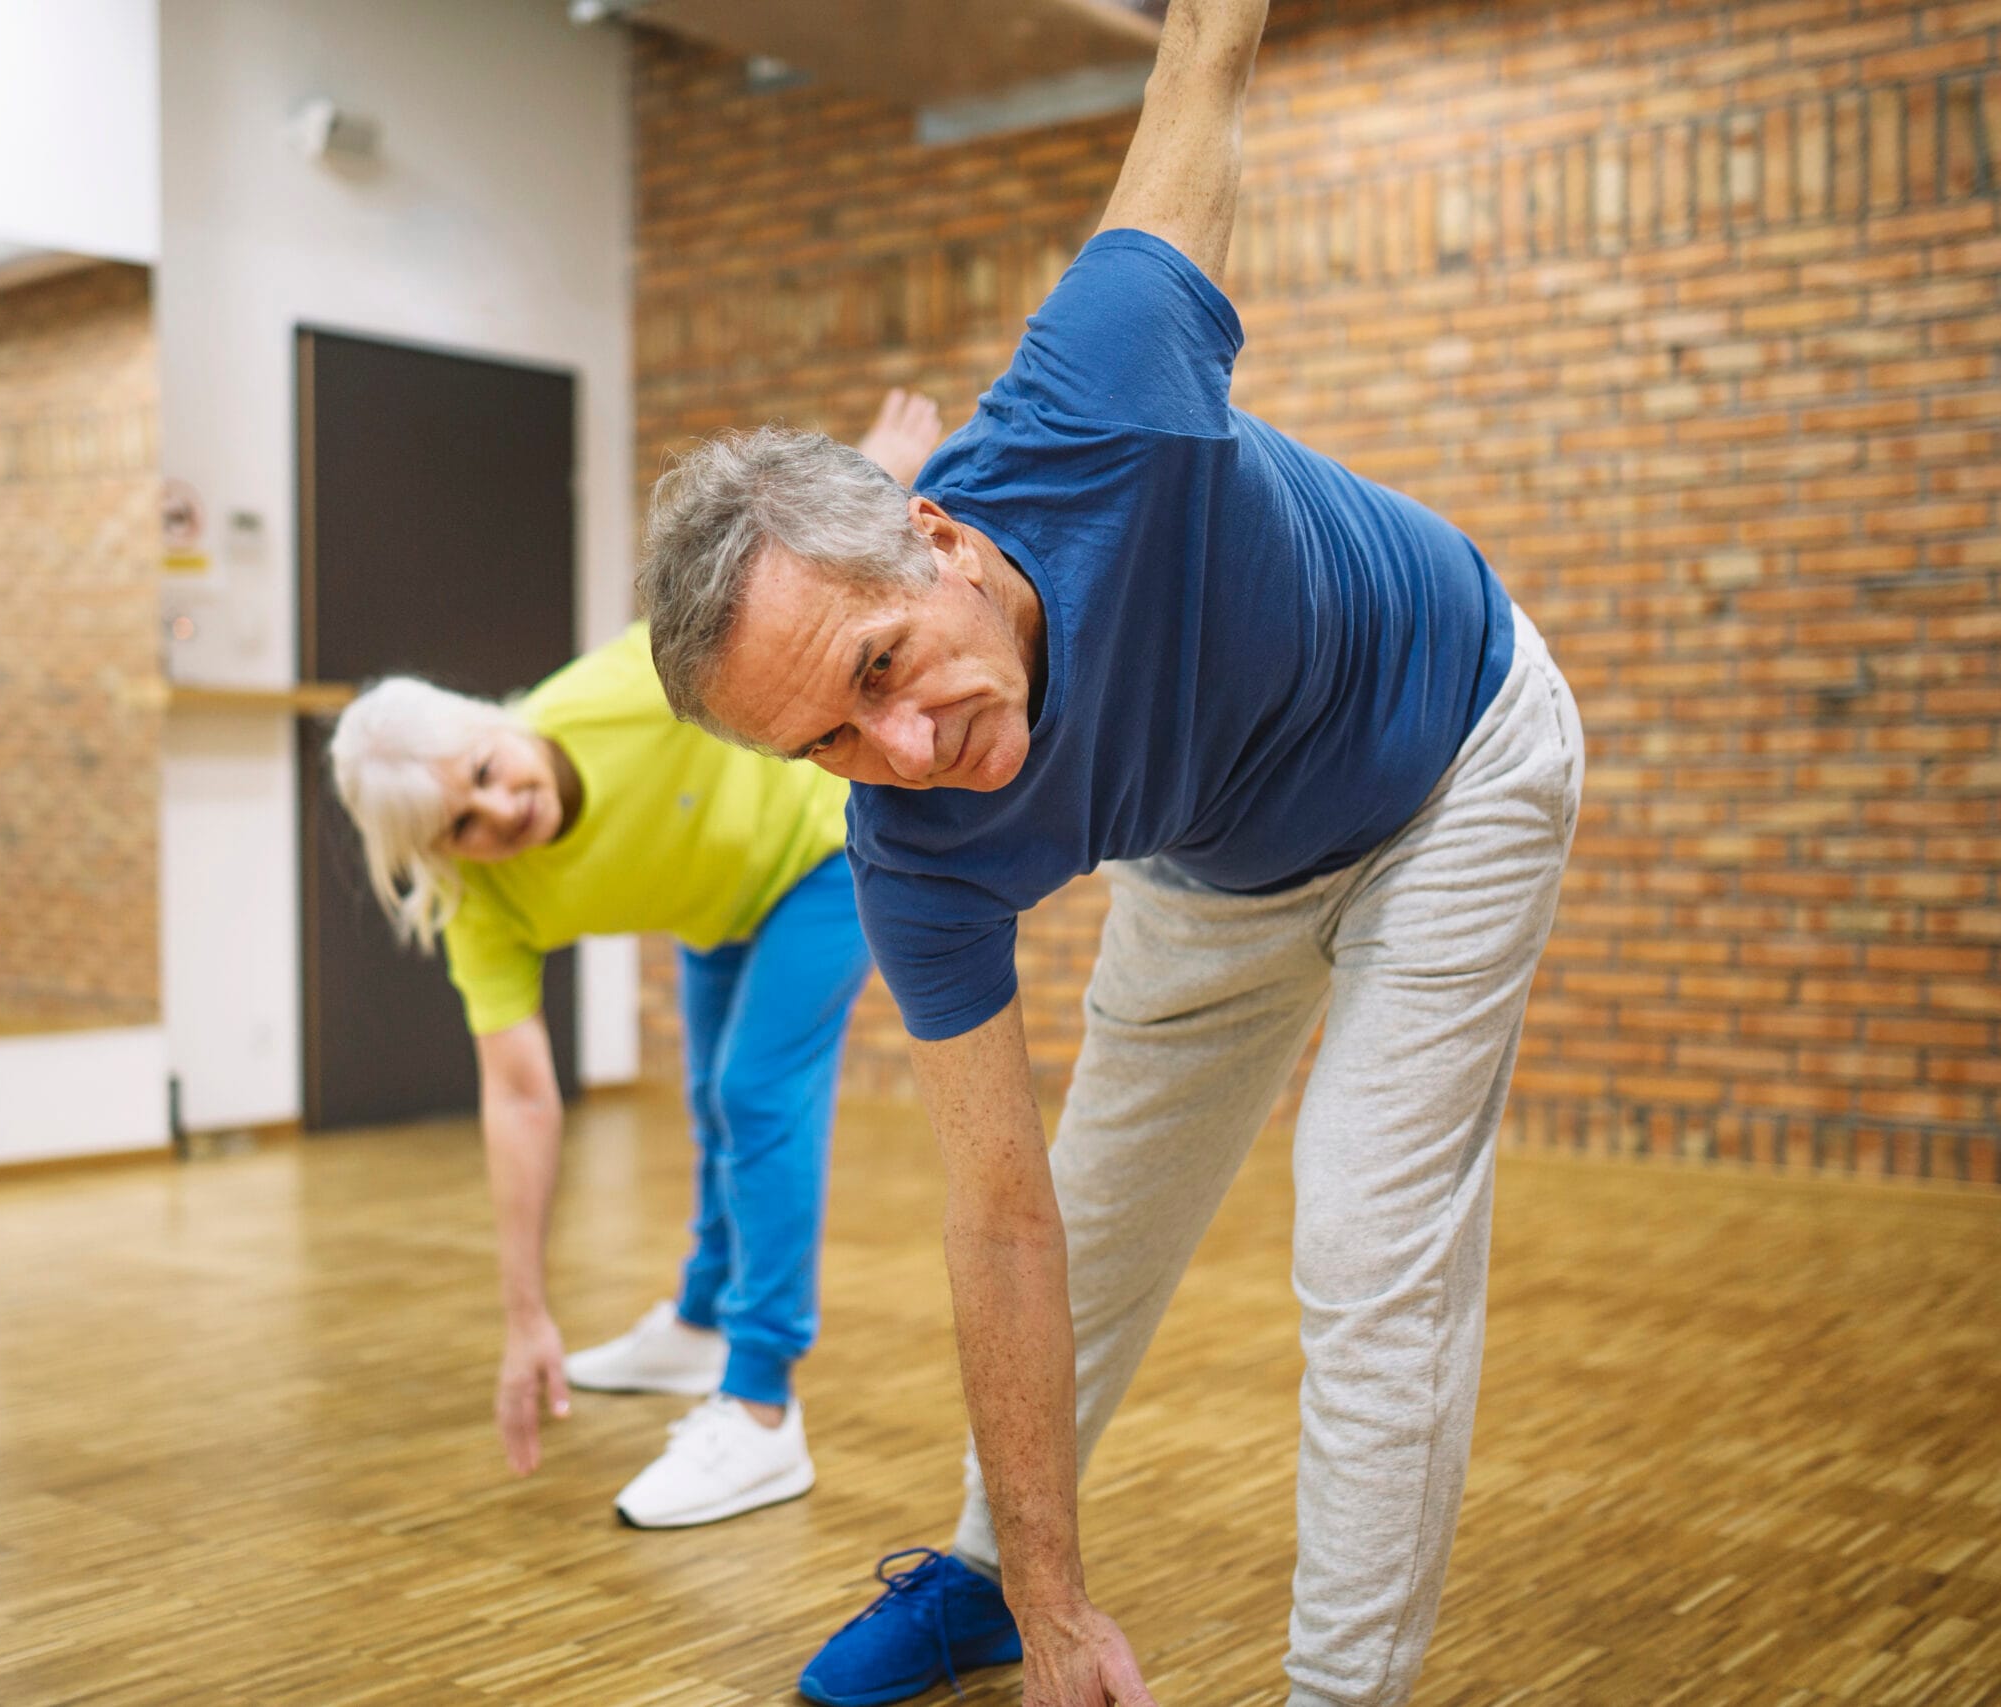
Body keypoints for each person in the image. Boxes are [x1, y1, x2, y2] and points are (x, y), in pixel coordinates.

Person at [634, 3, 1582, 1701]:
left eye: (878, 670)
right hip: (1220, 860)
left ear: (931, 535)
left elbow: (1203, 51)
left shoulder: (1114, 384)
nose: (905, 752)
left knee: (1367, 1245)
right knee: (1083, 1211)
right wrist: (1075, 1609)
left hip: (1455, 758)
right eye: (831, 744)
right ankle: (1002, 1582)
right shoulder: (907, 846)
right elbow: (999, 1223)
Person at [328, 391, 944, 1529]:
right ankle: (700, 1320)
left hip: (816, 860)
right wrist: (526, 1317)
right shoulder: (484, 905)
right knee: (710, 1095)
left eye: (482, 768)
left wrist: (871, 472)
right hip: (715, 910)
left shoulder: (622, 686)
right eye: (459, 823)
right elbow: (519, 1101)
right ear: (438, 856)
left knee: (758, 1091)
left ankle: (760, 1408)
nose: (496, 809)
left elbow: (771, 580)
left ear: (491, 718)